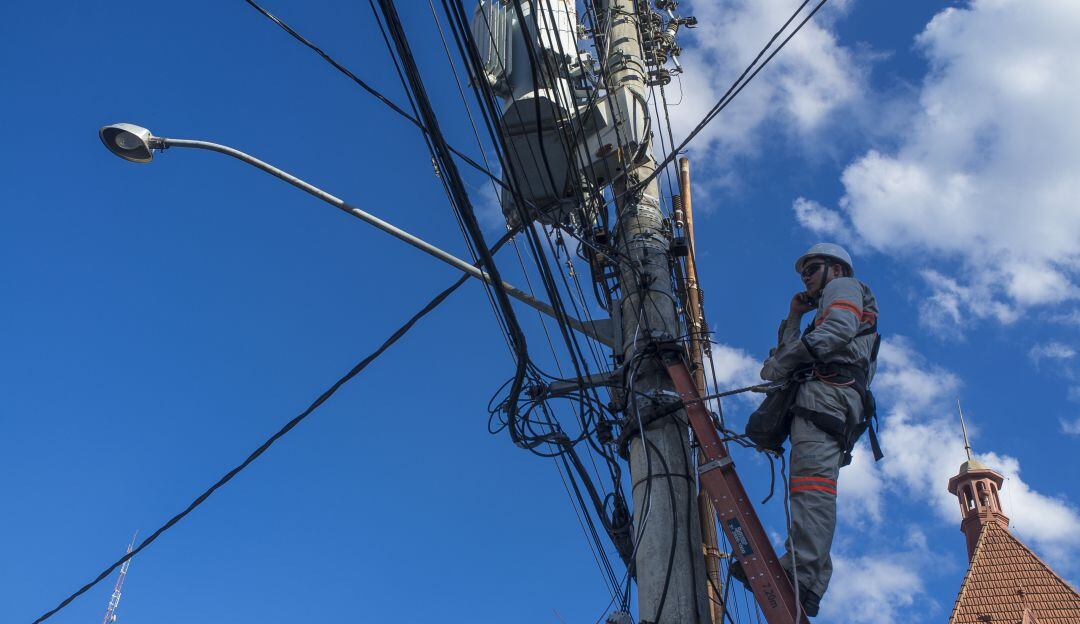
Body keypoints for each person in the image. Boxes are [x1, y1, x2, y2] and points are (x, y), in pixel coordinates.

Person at [758, 243, 881, 616]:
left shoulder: (843, 288)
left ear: (837, 269)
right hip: (825, 401)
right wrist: (794, 316)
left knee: (812, 487)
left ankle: (805, 574)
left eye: (812, 269)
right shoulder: (822, 309)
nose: (806, 277)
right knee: (810, 488)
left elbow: (836, 331)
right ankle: (805, 570)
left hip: (827, 398)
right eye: (803, 273)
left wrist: (781, 364)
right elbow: (805, 345)